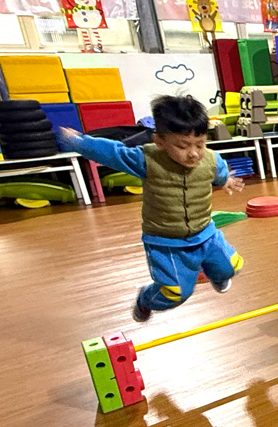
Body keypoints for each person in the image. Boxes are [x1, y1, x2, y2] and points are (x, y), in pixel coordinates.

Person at [60, 94, 244, 323]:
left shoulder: (211, 160)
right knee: (175, 293)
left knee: (231, 266)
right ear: (159, 141)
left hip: (205, 233)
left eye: (200, 144)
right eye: (182, 146)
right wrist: (79, 142)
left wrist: (226, 181)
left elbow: (220, 172)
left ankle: (217, 274)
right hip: (166, 242)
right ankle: (145, 299)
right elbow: (113, 153)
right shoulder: (148, 160)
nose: (194, 153)